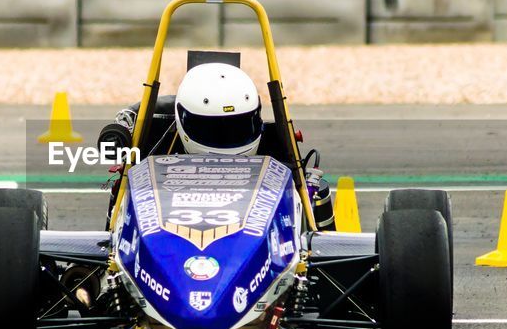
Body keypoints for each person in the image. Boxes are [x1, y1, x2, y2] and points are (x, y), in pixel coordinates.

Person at [99, 63, 335, 229]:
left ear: (256, 117)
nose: (226, 137)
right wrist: (117, 140)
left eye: (237, 127)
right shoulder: (157, 130)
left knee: (315, 187)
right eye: (214, 129)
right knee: (124, 182)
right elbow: (114, 139)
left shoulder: (274, 143)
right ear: (183, 119)